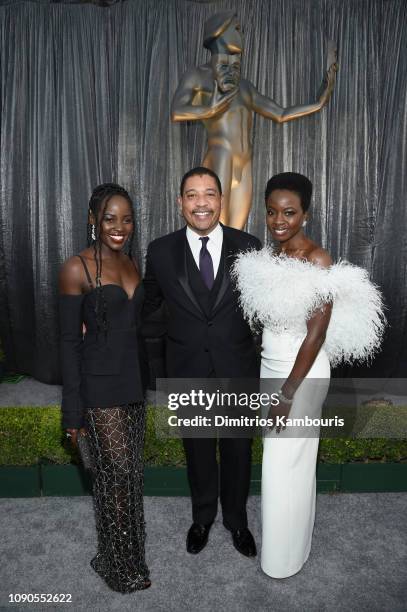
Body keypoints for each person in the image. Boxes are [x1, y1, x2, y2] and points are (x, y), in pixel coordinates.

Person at [232, 172, 385, 578]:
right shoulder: (270, 257)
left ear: (306, 214)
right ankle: (289, 550)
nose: (279, 220)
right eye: (271, 212)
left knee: (287, 464)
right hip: (271, 366)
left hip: (300, 374)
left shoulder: (319, 259)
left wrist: (286, 393)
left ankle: (283, 560)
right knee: (282, 464)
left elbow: (316, 335)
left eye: (289, 212)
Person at [143, 167, 261, 557]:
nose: (201, 203)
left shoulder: (249, 245)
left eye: (209, 194)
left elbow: (261, 308)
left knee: (237, 450)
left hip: (237, 366)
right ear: (180, 203)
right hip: (187, 365)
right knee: (196, 450)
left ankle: (237, 522)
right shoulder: (160, 250)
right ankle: (202, 518)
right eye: (192, 195)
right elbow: (149, 306)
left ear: (221, 201)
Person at [59, 183, 150, 592]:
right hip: (99, 388)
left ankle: (121, 556)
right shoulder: (75, 268)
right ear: (93, 220)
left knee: (129, 478)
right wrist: (72, 412)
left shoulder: (132, 264)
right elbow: (67, 344)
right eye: (110, 218)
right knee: (117, 473)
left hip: (132, 384)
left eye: (127, 219)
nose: (119, 227)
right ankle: (119, 566)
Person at [171, 11, 337, 229]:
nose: (241, 33)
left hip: (244, 164)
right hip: (221, 156)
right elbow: (177, 112)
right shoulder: (198, 76)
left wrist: (319, 102)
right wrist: (210, 109)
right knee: (215, 230)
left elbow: (280, 113)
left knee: (236, 234)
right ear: (220, 30)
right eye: (237, 28)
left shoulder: (245, 86)